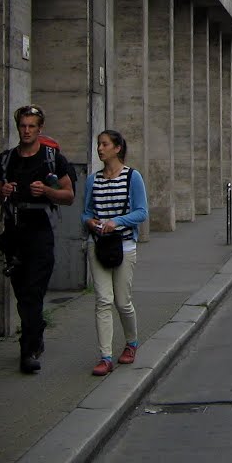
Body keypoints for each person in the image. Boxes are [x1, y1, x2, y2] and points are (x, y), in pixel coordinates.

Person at [0, 104, 76, 374]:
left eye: (31, 126)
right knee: (22, 293)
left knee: (33, 293)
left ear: (40, 129)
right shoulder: (6, 159)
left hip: (40, 233)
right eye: (23, 126)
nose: (26, 131)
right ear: (18, 128)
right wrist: (2, 190)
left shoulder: (52, 158)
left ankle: (27, 353)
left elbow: (69, 195)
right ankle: (36, 334)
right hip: (14, 233)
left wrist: (47, 191)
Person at [82, 130, 148, 376]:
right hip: (97, 244)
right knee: (102, 300)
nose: (100, 149)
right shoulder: (93, 179)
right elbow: (86, 212)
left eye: (105, 144)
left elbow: (142, 212)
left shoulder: (133, 177)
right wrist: (91, 223)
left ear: (117, 148)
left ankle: (131, 343)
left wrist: (116, 221)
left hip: (124, 245)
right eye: (98, 144)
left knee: (122, 301)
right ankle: (105, 356)